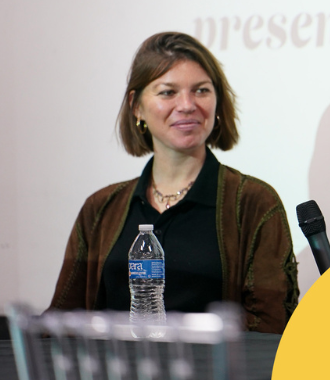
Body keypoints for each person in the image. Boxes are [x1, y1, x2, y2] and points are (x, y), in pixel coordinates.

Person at [49, 32, 298, 334]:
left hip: (216, 366)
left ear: (218, 102)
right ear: (136, 106)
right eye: (168, 92)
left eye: (201, 90)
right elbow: (62, 320)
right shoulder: (100, 208)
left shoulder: (254, 203)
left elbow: (271, 326)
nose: (187, 105)